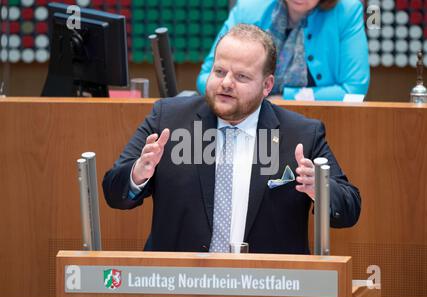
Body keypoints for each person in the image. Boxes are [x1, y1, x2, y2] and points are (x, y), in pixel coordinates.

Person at [103, 24, 361, 254]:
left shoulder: (301, 135)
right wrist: (138, 173)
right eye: (219, 71)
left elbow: (349, 208)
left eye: (241, 77)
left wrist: (320, 188)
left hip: (267, 288)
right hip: (178, 283)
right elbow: (115, 193)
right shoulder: (168, 120)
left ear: (267, 85)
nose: (226, 83)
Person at [196, 0, 370, 101]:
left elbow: (353, 90)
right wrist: (248, 98)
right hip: (247, 120)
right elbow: (206, 77)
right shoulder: (248, 8)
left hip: (322, 123)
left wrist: (286, 98)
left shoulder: (347, 10)